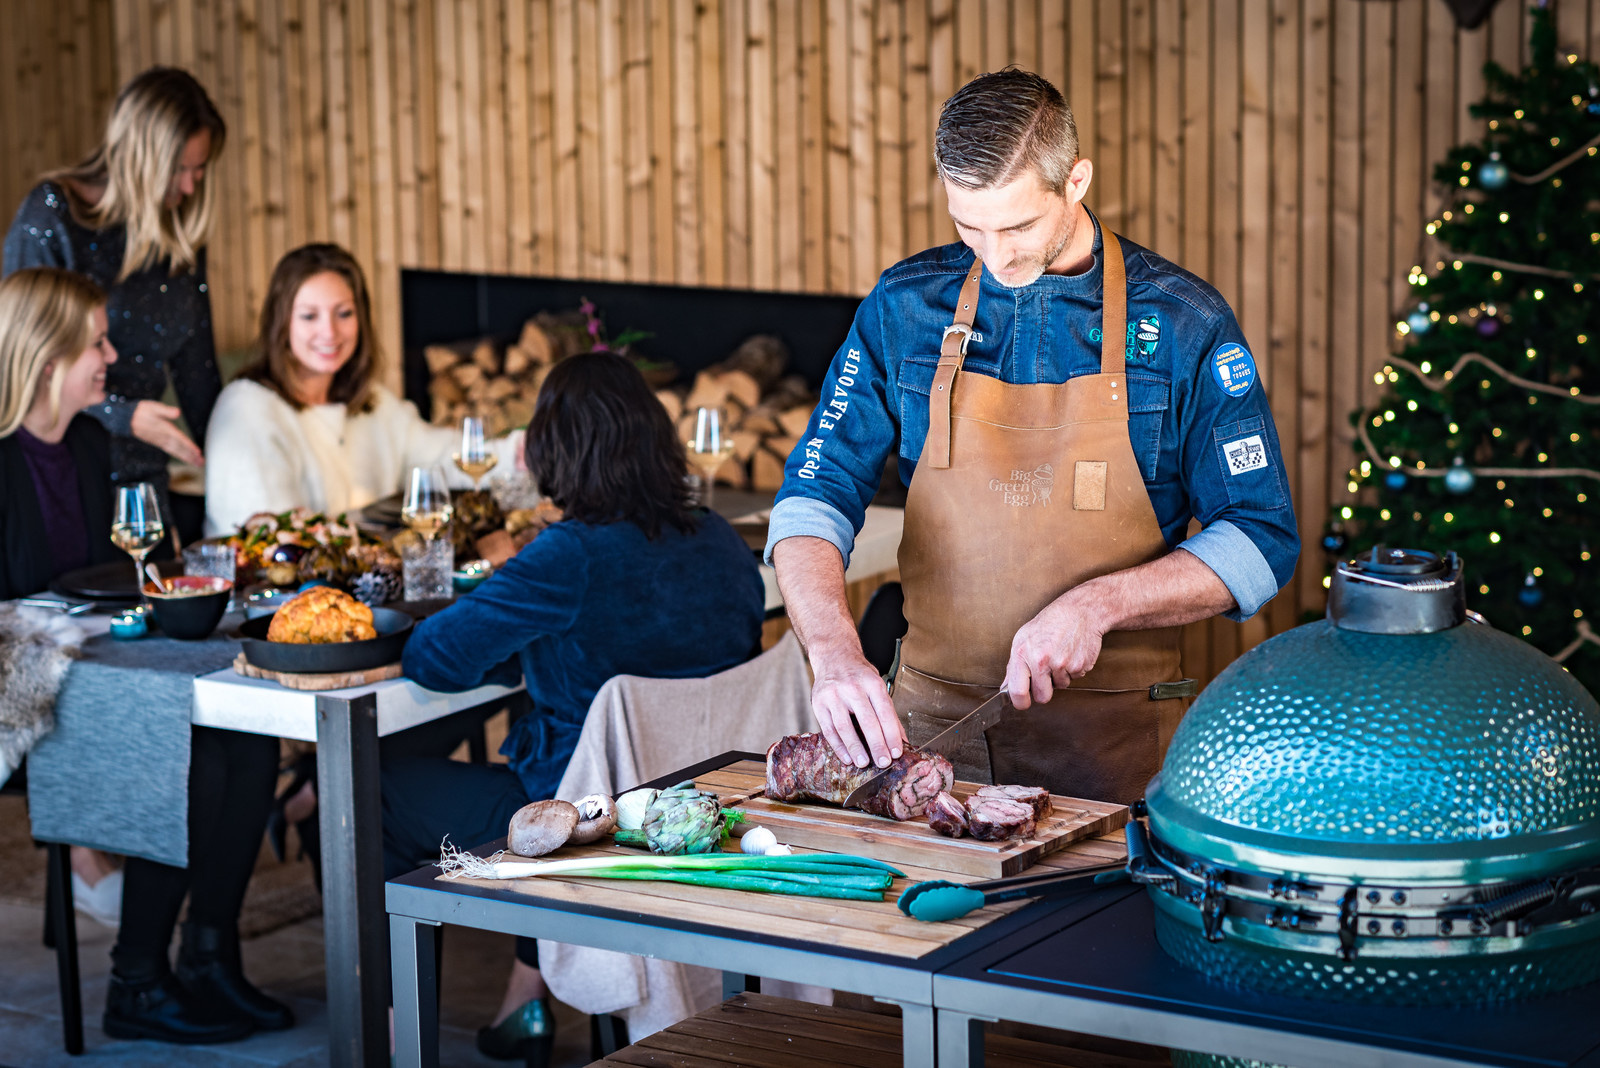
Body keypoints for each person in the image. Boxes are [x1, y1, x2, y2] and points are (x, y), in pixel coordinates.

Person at [768, 69, 1300, 804]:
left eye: (1017, 226)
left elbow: (1261, 540)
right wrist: (831, 652)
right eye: (968, 225)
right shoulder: (903, 308)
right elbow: (811, 496)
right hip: (924, 755)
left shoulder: (1183, 324)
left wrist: (1100, 604)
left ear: (1075, 180)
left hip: (1116, 765)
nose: (995, 255)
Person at [385, 351, 765, 1066]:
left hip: (588, 823)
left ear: (550, 455)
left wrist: (505, 584)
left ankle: (390, 1027)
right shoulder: (721, 539)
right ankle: (524, 999)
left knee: (376, 789)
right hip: (702, 814)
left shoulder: (567, 556)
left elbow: (432, 660)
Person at [0, 267, 289, 1044]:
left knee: (248, 741)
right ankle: (136, 982)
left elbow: (127, 573)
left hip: (106, 672)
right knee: (182, 755)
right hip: (27, 696)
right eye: (96, 341)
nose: (112, 354)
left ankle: (208, 954)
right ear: (47, 355)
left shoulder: (93, 443)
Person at [2, 67, 226, 534]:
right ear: (140, 157)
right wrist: (124, 416)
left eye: (200, 169)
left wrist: (229, 459)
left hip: (146, 486)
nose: (189, 187)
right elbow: (17, 363)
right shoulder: (54, 215)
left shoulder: (179, 232)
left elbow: (198, 373)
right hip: (65, 474)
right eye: (179, 169)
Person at [202, 242, 523, 535]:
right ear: (282, 323)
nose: (329, 332)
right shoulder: (247, 409)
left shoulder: (373, 402)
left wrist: (522, 452)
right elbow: (271, 539)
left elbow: (440, 457)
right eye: (309, 316)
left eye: (344, 313)